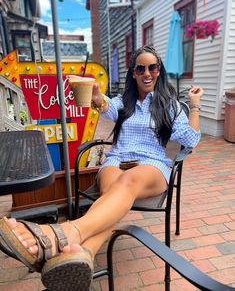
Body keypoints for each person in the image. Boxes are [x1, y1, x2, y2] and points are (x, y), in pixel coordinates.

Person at [0, 45, 203, 291]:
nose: (147, 73)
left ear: (159, 71)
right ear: (133, 73)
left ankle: (61, 233)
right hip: (117, 160)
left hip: (152, 165)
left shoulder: (169, 105)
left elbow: (190, 140)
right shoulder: (124, 102)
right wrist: (95, 94)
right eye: (141, 68)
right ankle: (84, 252)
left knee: (125, 185)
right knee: (113, 197)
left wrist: (194, 105)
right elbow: (104, 105)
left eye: (153, 67)